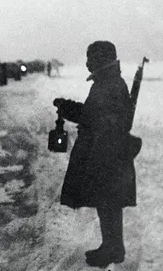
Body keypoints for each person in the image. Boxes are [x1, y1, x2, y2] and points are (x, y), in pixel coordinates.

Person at [53, 41, 136, 268]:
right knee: (106, 201)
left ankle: (113, 248)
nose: (87, 62)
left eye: (91, 57)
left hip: (106, 152)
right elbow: (94, 114)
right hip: (106, 151)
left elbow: (96, 118)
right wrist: (68, 107)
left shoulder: (109, 85)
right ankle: (111, 246)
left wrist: (68, 109)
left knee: (108, 202)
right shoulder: (109, 82)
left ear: (101, 59)